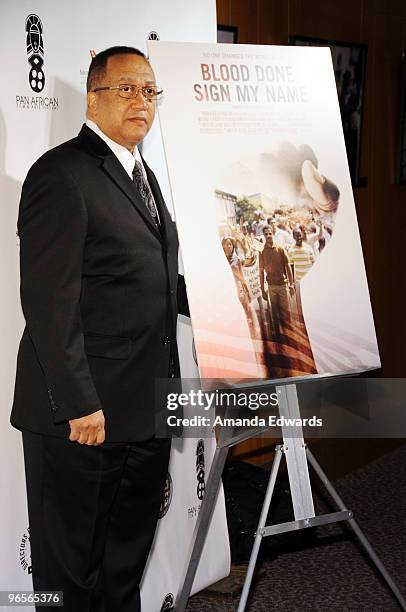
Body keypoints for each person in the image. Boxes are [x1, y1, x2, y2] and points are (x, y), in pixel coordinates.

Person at [11, 46, 188, 612]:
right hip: (83, 419)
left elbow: (149, 281)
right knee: (69, 579)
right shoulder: (60, 173)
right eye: (127, 88)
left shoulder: (145, 176)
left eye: (150, 91)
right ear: (93, 97)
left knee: (122, 566)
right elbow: (47, 301)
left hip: (143, 411)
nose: (142, 101)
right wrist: (79, 404)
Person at [259, 225, 294, 337]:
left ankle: (289, 334)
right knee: (274, 313)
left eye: (270, 233)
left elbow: (288, 266)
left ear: (272, 233)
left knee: (286, 312)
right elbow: (261, 271)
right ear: (263, 236)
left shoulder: (280, 248)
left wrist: (291, 284)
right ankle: (278, 336)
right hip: (271, 287)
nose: (268, 236)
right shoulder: (262, 252)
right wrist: (262, 289)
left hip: (282, 285)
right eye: (266, 234)